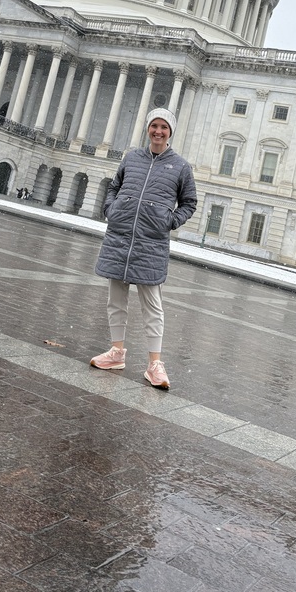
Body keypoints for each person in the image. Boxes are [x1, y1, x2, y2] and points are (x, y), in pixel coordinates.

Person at [91, 107, 197, 390]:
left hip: (151, 242)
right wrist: (111, 209)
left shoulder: (180, 167)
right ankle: (116, 352)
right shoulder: (132, 158)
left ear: (170, 132)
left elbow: (189, 203)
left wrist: (170, 221)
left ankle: (155, 363)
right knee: (116, 301)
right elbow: (114, 187)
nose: (158, 132)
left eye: (163, 127)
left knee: (153, 306)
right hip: (120, 237)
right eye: (154, 126)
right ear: (148, 129)